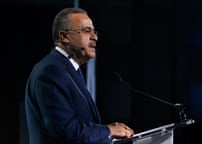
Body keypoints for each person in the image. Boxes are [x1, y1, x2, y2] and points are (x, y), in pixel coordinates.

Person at [24, 7, 134, 144]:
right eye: (87, 31)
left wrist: (106, 132)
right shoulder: (51, 71)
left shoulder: (68, 69)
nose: (95, 37)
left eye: (94, 32)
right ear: (64, 36)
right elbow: (65, 129)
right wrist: (108, 131)